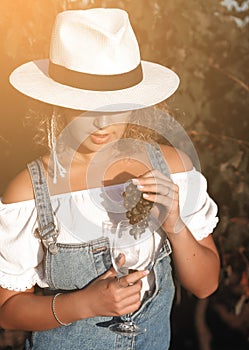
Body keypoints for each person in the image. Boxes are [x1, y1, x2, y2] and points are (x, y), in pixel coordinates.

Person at [0, 8, 220, 350]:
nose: (102, 123)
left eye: (116, 104)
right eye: (86, 105)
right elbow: (7, 310)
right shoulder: (30, 191)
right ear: (58, 102)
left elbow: (206, 285)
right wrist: (85, 305)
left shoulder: (172, 166)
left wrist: (175, 224)